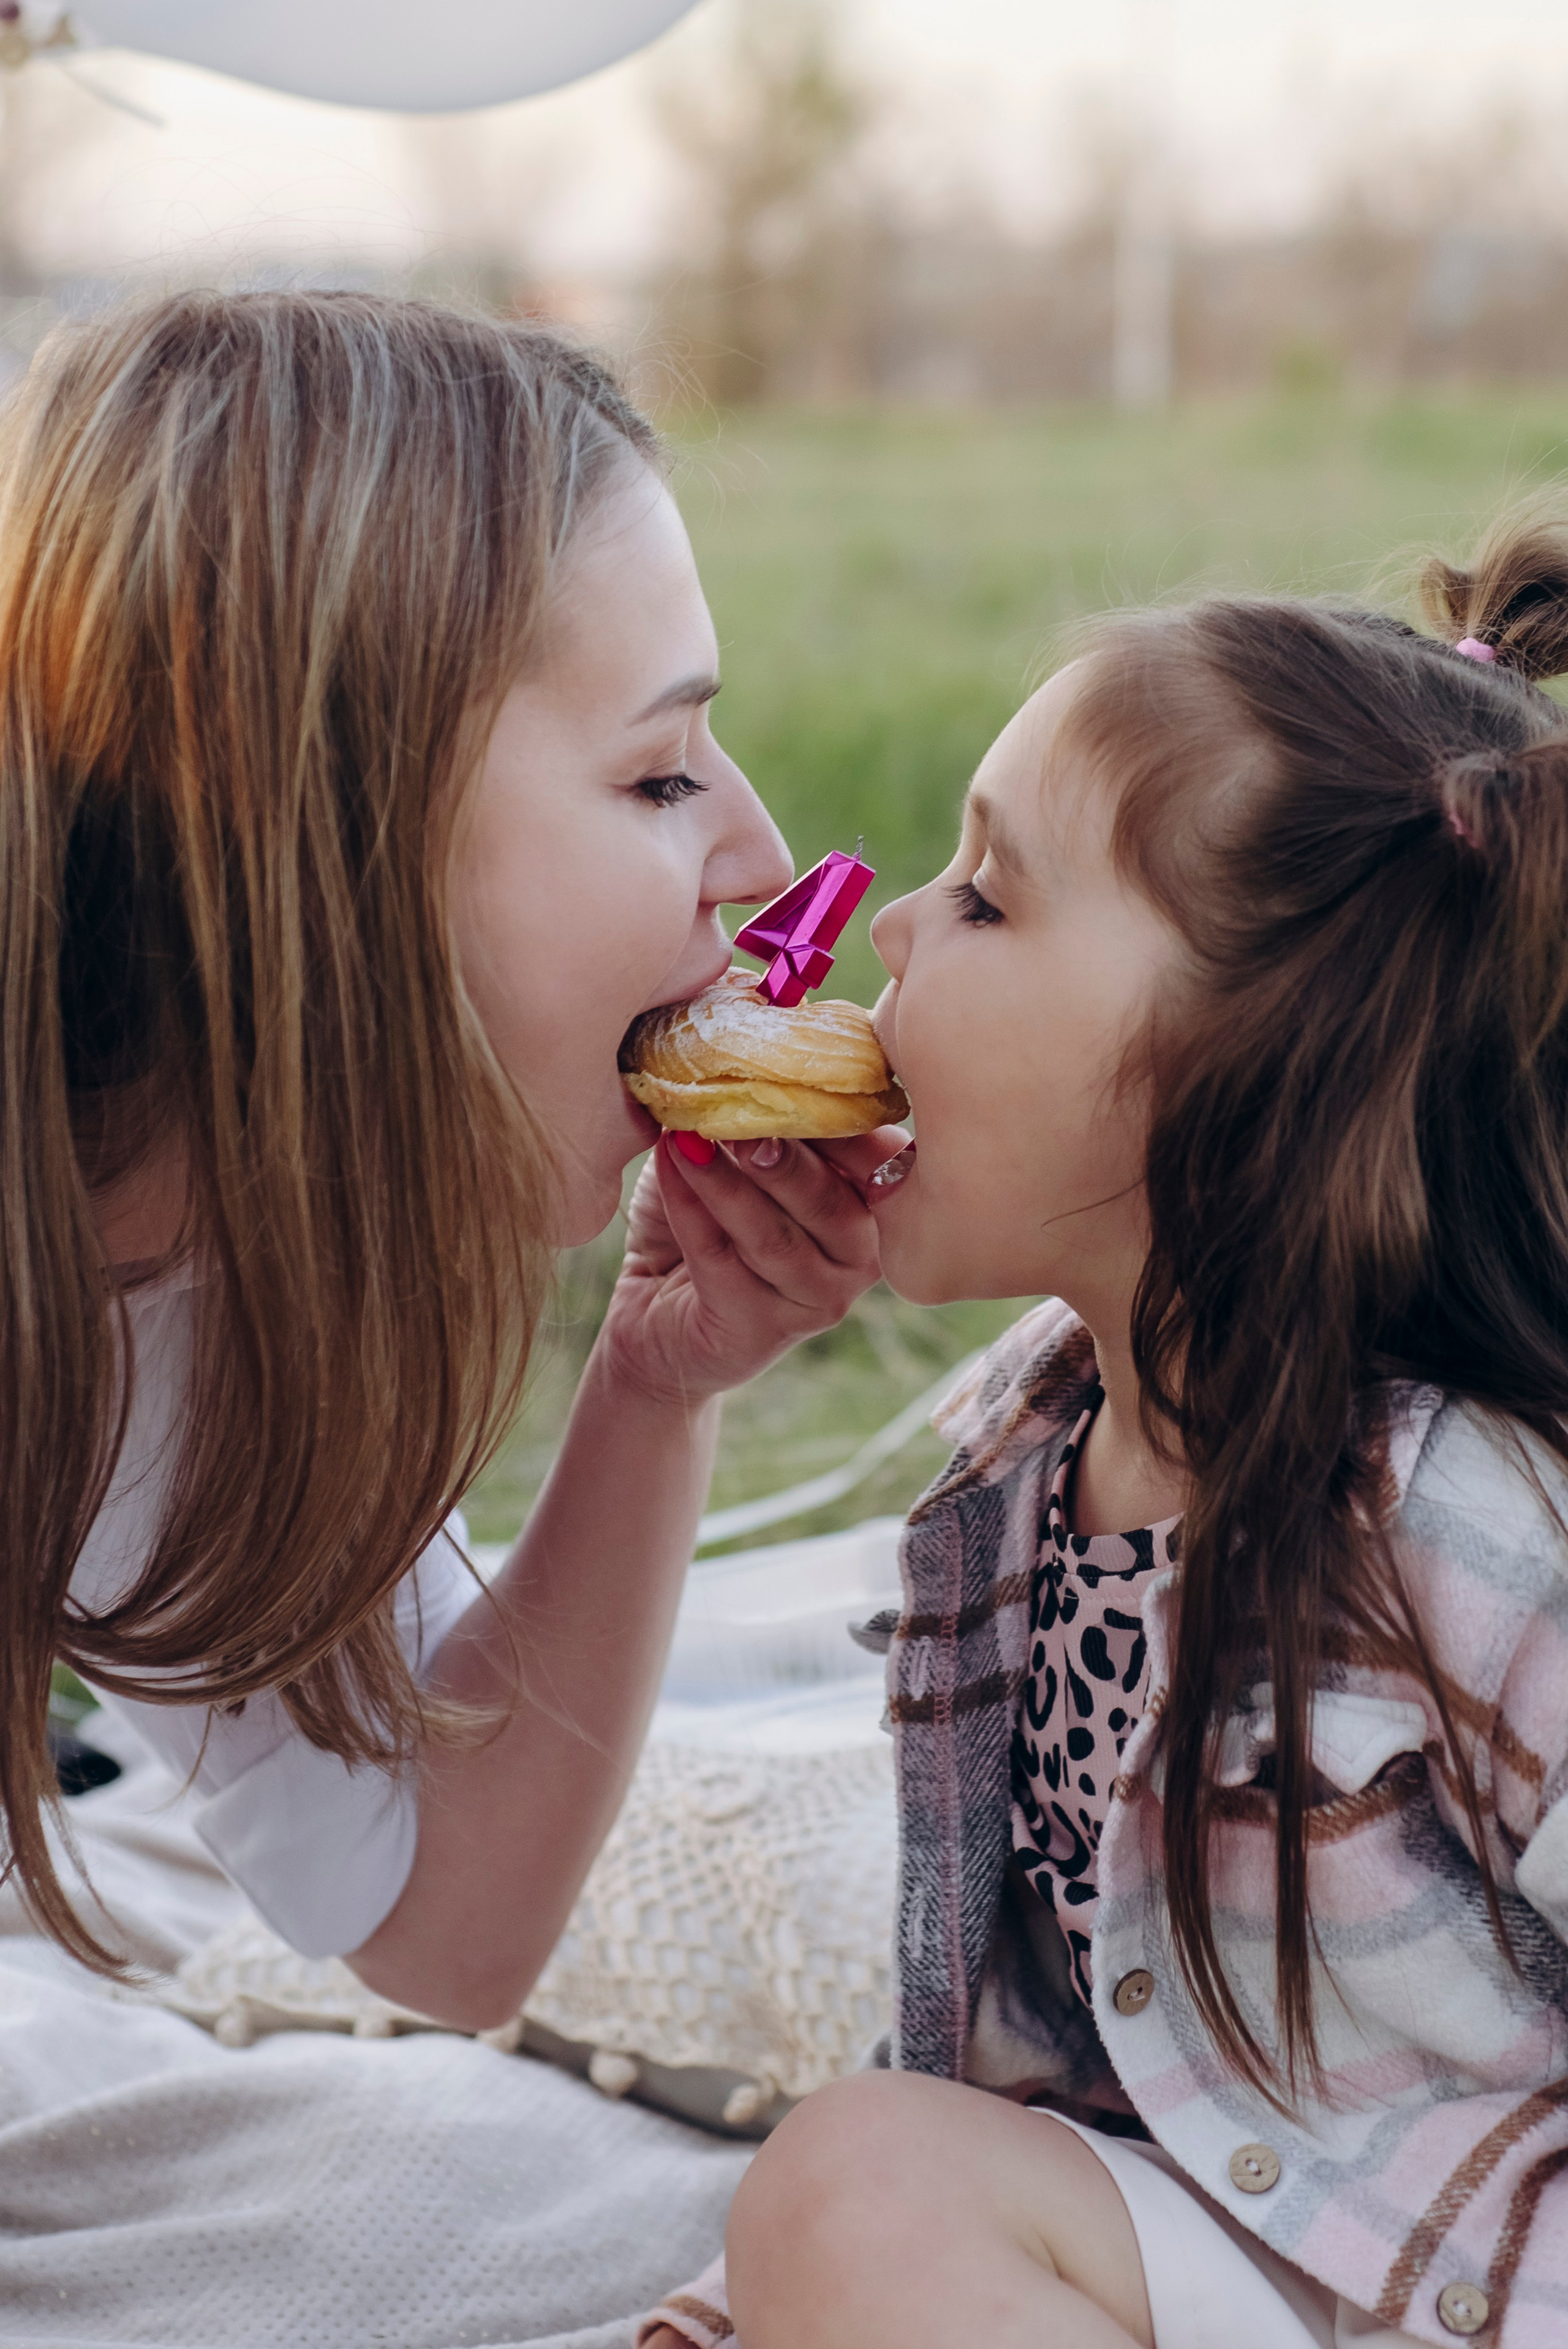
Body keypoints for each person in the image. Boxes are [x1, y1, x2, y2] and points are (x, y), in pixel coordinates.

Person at [644, 517, 1568, 2349]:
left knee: (856, 2182)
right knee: (852, 2186)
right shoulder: (1016, 1474)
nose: (892, 927)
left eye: (988, 897)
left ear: (1250, 1064)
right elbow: (1048, 2078)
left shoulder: (1472, 1522)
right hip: (1225, 2251)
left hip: (1466, 2274)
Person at [7, 288, 903, 2029]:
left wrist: (657, 1386)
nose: (761, 848)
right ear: (320, 826)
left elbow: (438, 1919)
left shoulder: (202, 1296)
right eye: (657, 776)